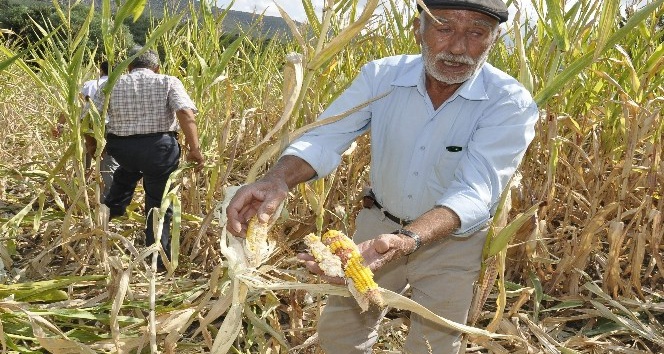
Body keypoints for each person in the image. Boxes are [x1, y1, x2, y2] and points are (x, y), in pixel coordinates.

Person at [226, 0, 539, 353]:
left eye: (475, 33)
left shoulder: (509, 102)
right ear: (418, 30)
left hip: (454, 244)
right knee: (341, 335)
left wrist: (408, 239)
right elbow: (326, 136)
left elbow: (475, 192)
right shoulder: (381, 77)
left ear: (494, 39)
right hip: (377, 227)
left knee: (432, 344)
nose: (456, 48)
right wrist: (277, 179)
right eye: (444, 28)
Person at [92, 46, 205, 270]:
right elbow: (184, 111)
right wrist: (195, 149)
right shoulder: (168, 81)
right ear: (156, 67)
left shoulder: (109, 83)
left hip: (122, 149)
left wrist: (93, 146)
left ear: (129, 66)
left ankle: (106, 218)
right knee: (158, 202)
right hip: (158, 150)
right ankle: (157, 259)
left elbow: (92, 117)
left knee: (126, 173)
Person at [53, 61, 119, 200]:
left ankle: (85, 179)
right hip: (113, 125)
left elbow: (72, 105)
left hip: (88, 123)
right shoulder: (120, 84)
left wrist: (59, 125)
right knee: (107, 155)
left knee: (91, 149)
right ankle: (107, 187)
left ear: (101, 70)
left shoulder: (89, 84)